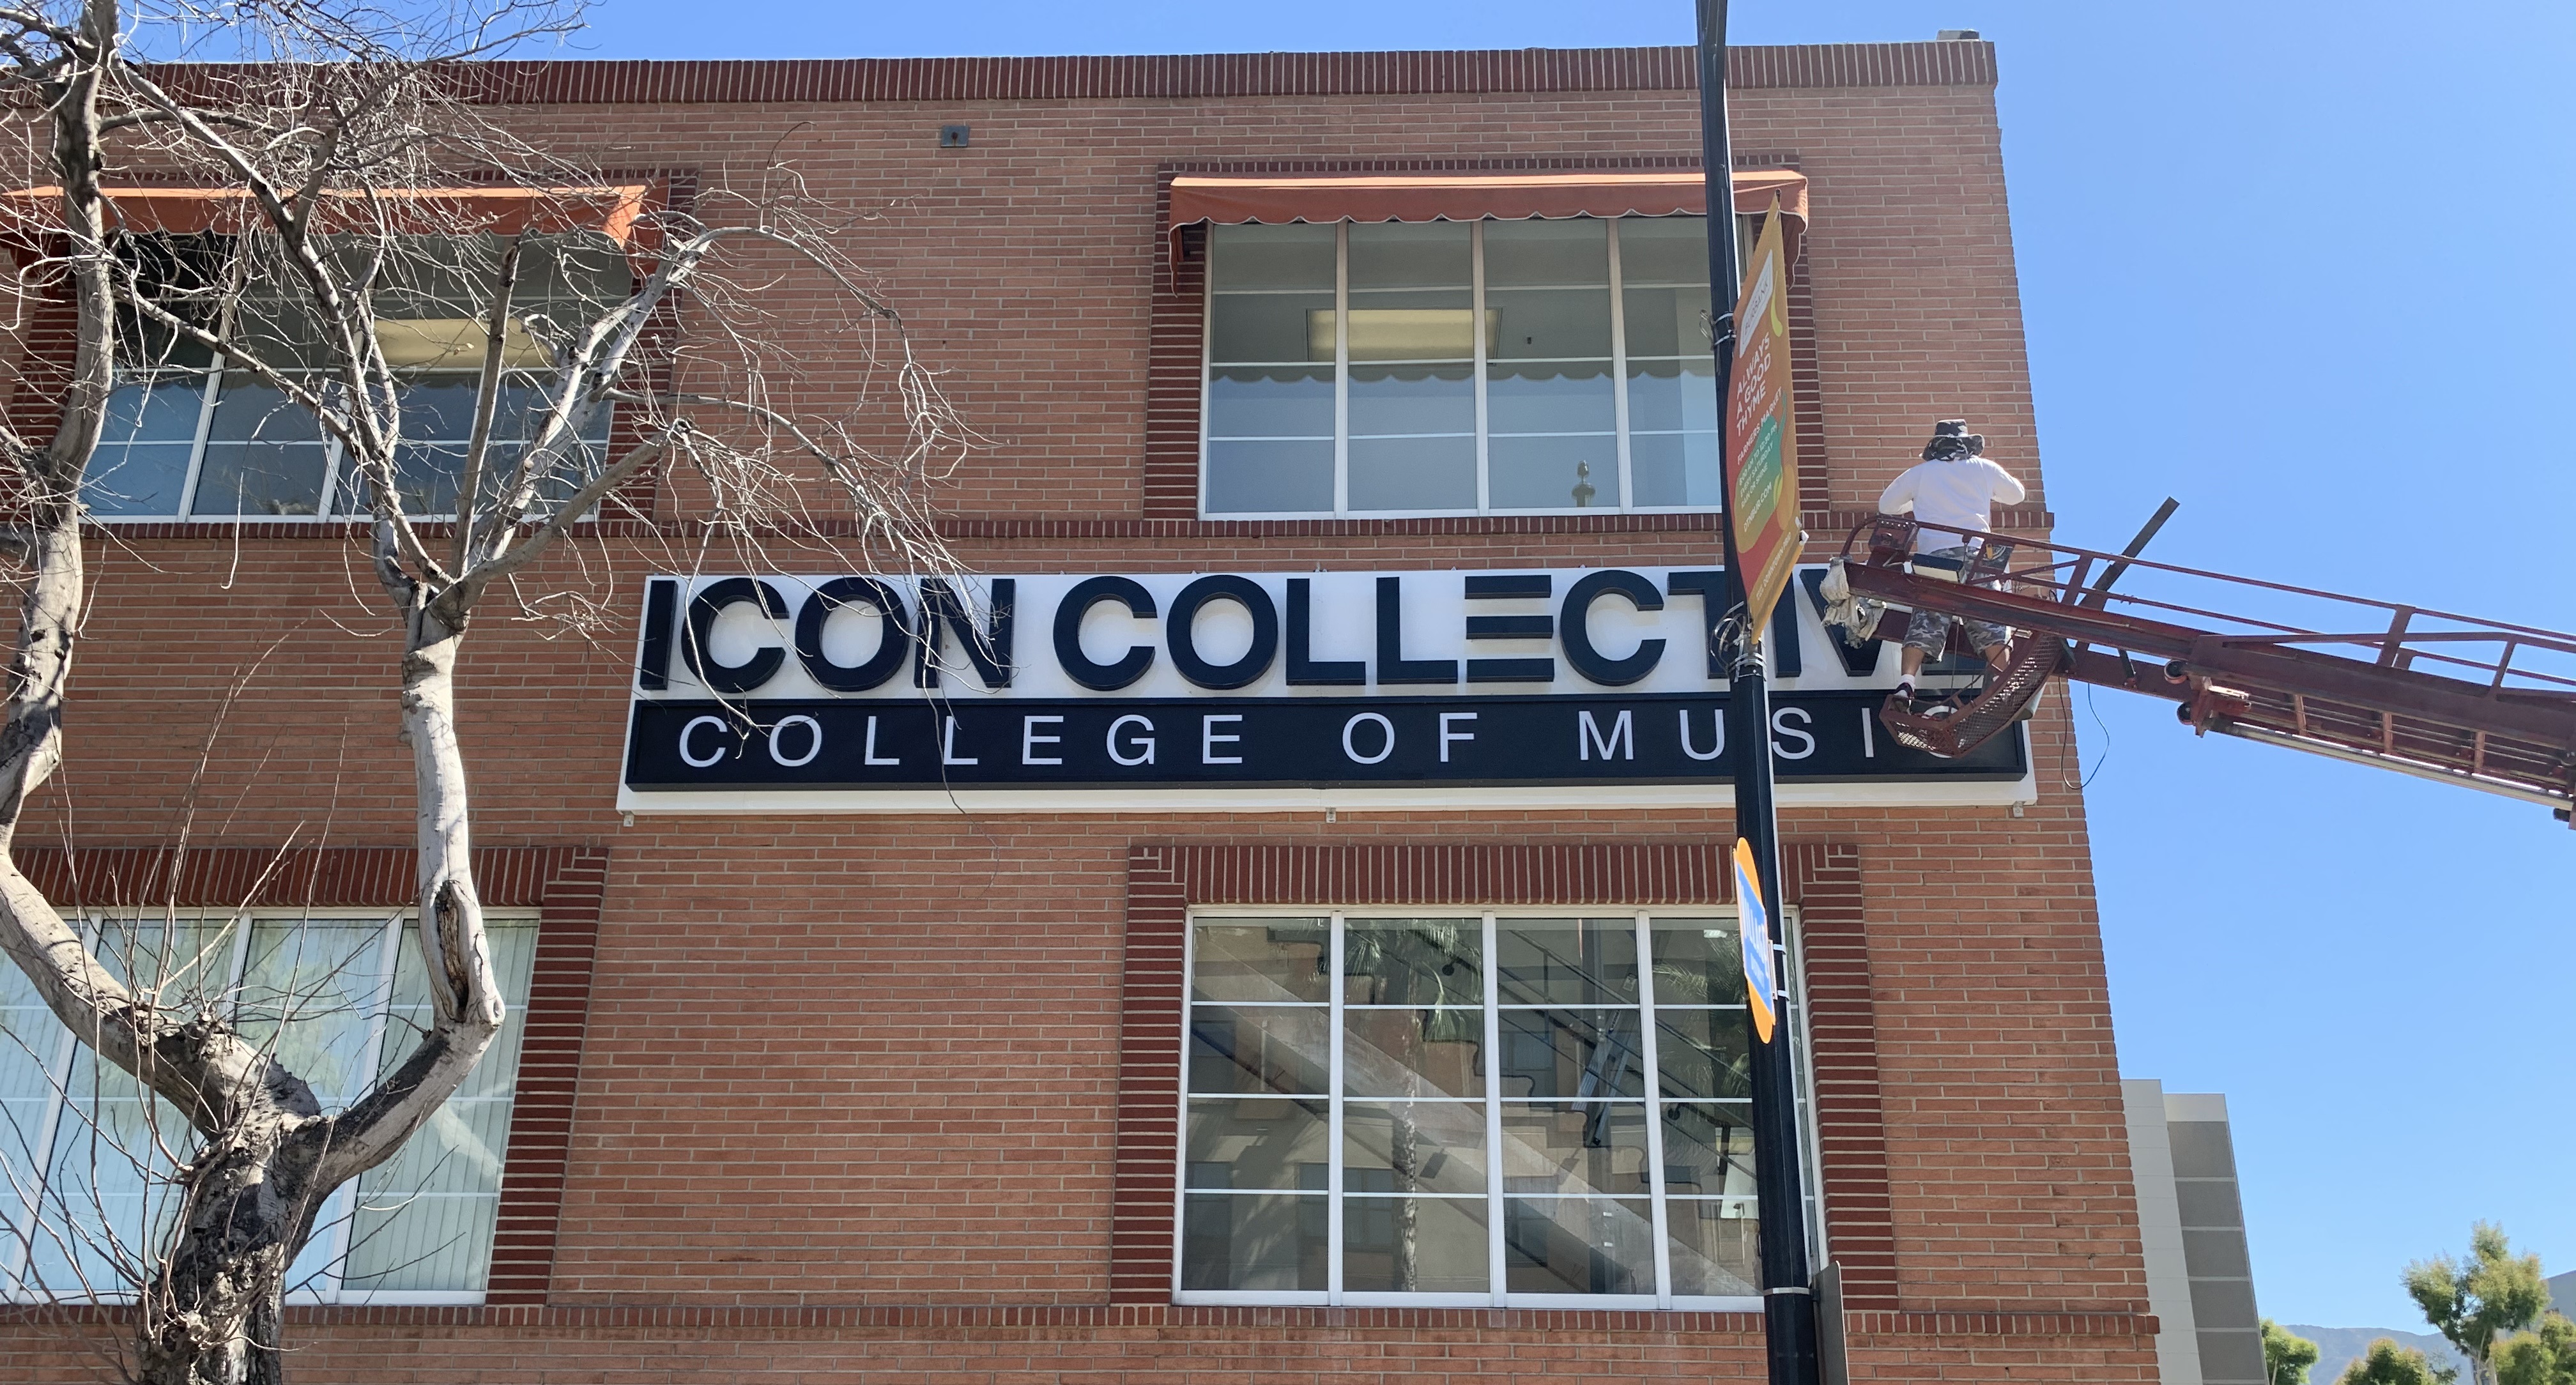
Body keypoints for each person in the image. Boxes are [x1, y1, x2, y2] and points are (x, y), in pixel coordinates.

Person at [1876, 419, 2026, 705]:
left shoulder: (1920, 474)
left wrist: (1917, 502)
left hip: (1937, 559)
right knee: (1988, 620)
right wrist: (1986, 491)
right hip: (1980, 557)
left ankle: (1906, 685)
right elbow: (2017, 495)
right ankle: (2006, 686)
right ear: (1968, 443)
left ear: (1935, 445)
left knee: (1928, 617)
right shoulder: (1985, 468)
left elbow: (1886, 506)